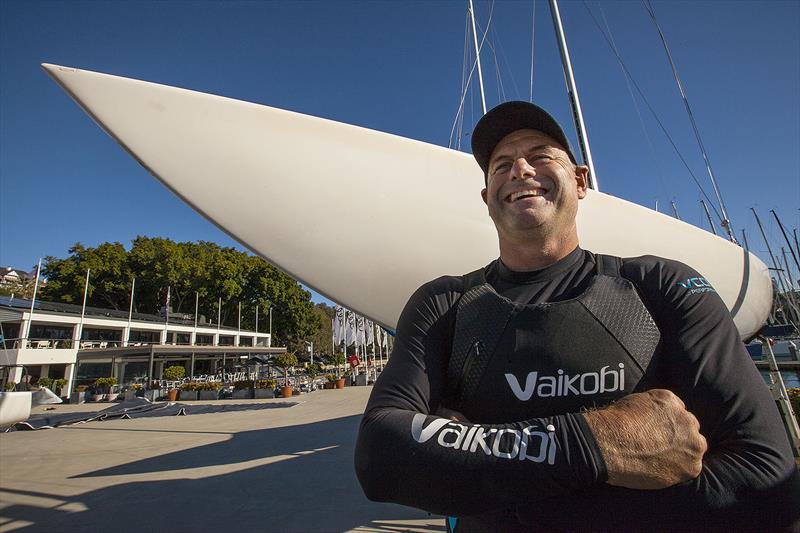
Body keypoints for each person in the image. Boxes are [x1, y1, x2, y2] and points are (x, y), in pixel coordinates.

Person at [354, 101, 800, 531]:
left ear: (581, 180)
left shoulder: (662, 287)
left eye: (539, 155)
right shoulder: (444, 304)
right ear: (488, 197)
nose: (520, 169)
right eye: (501, 163)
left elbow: (765, 481)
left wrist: (492, 475)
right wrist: (598, 444)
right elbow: (381, 454)